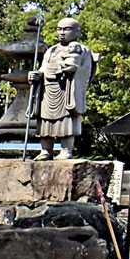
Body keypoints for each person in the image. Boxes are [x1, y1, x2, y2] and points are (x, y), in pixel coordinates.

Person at [28, 18, 95, 160]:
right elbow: (43, 68)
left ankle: (66, 150)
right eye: (59, 29)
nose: (62, 33)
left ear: (77, 32)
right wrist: (36, 75)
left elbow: (86, 70)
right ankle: (46, 150)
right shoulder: (51, 50)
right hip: (48, 89)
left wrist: (74, 70)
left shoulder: (82, 50)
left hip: (67, 89)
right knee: (45, 121)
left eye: (67, 29)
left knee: (67, 119)